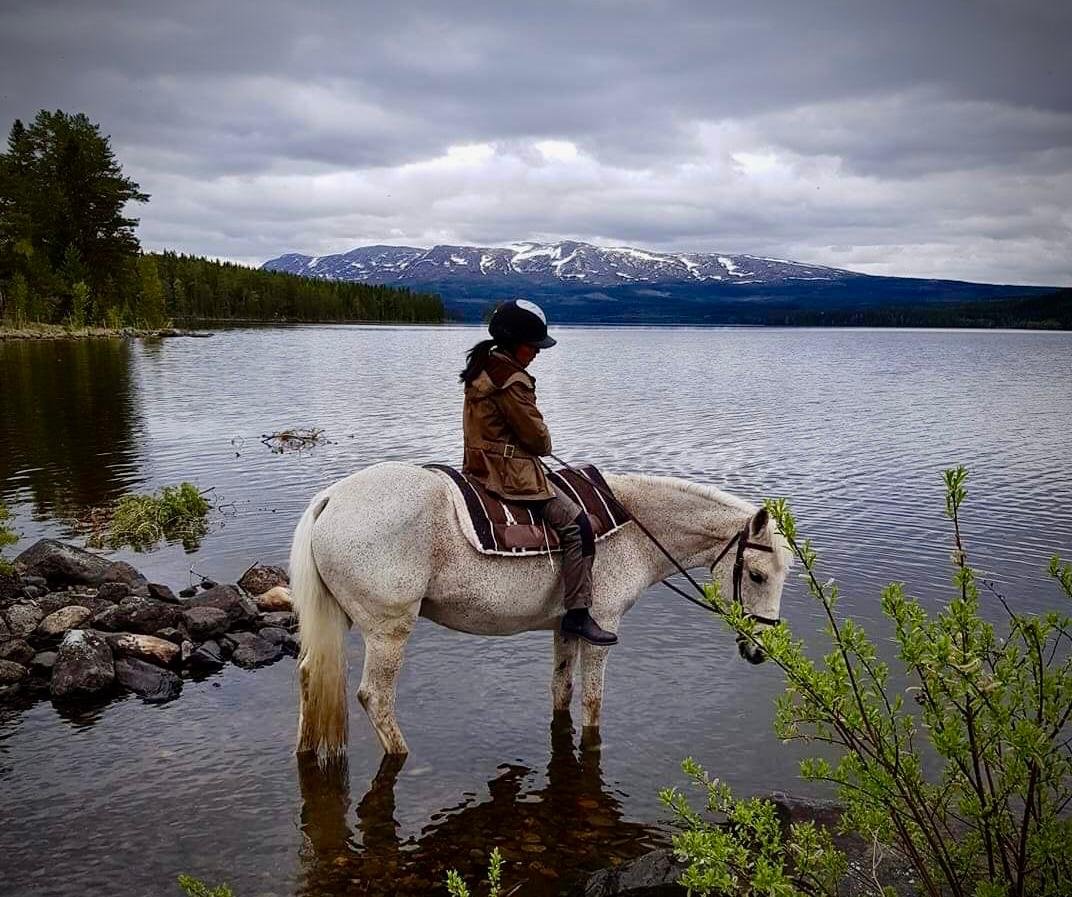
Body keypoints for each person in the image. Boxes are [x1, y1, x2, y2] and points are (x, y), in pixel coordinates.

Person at [459, 299, 618, 646]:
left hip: (476, 465)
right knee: (578, 528)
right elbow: (540, 440)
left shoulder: (483, 365)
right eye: (533, 346)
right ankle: (577, 614)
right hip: (508, 475)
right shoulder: (512, 381)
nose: (536, 353)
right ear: (515, 342)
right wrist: (537, 442)